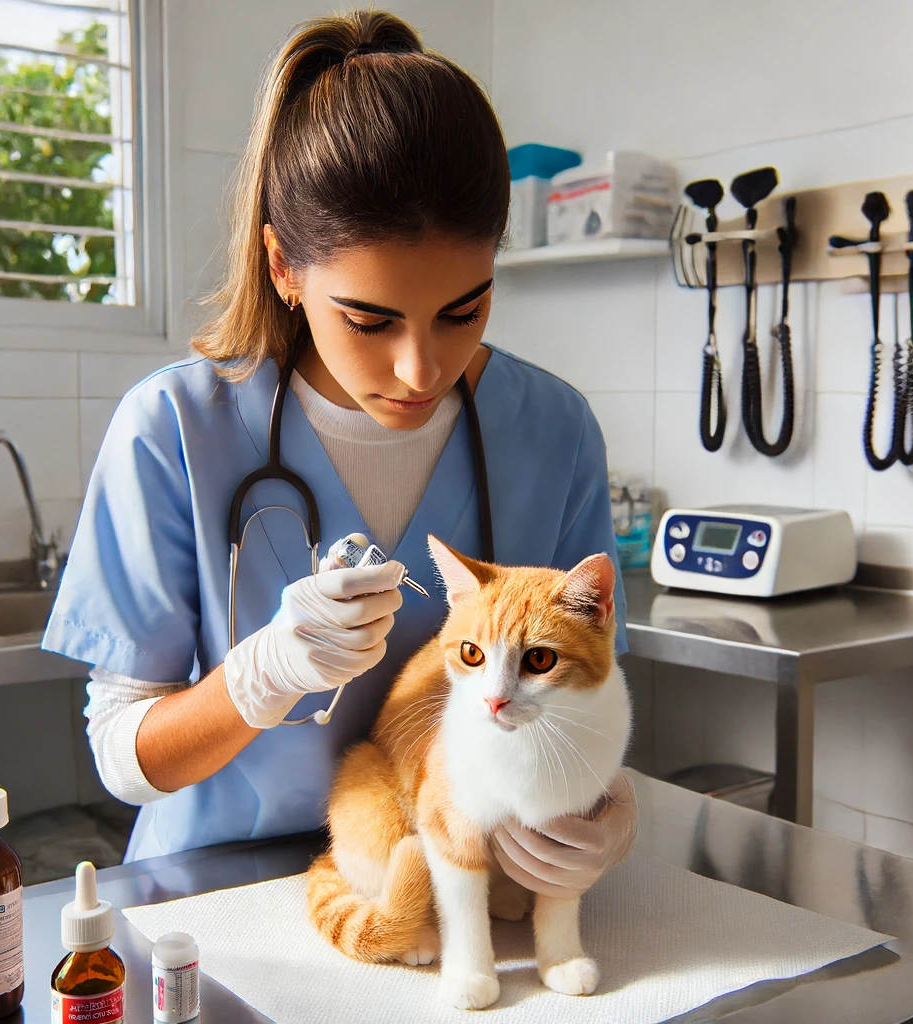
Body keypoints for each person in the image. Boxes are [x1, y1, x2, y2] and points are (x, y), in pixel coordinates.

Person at [43, 9, 637, 899]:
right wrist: (264, 672)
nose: (422, 368)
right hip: (218, 904)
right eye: (372, 319)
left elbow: (589, 693)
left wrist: (611, 801)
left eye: (464, 310)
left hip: (451, 895)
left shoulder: (552, 431)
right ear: (285, 267)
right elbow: (124, 762)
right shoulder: (172, 427)